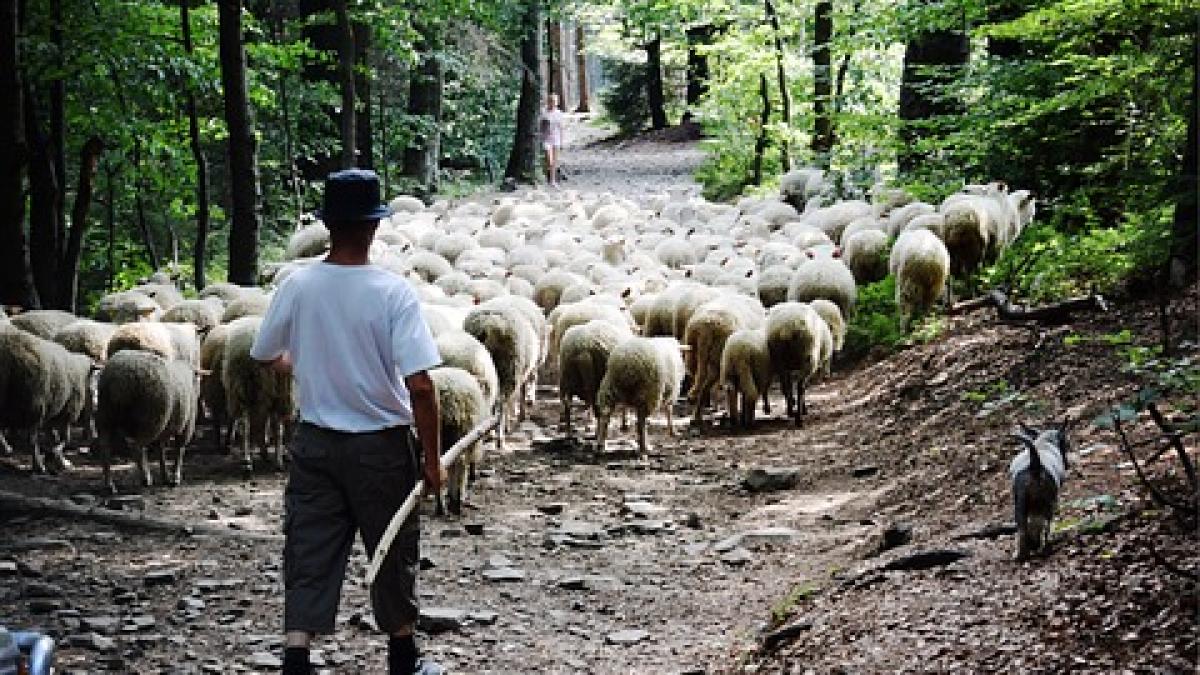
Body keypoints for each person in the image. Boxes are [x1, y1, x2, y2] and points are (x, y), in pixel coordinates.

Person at [250, 169, 444, 675]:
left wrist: (311, 365)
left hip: (314, 443)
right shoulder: (392, 292)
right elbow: (421, 386)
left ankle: (297, 654)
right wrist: (431, 460)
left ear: (329, 226)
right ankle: (403, 658)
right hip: (379, 447)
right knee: (391, 545)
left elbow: (265, 354)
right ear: (373, 228)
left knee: (309, 541)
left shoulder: (298, 284)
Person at [540, 93, 566, 187]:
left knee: (554, 162)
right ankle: (546, 175)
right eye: (551, 101)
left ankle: (552, 181)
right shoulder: (543, 112)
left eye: (554, 101)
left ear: (557, 103)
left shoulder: (559, 114)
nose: (552, 103)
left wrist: (562, 141)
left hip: (556, 139)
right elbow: (540, 126)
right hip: (546, 139)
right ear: (548, 102)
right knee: (549, 160)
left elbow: (561, 128)